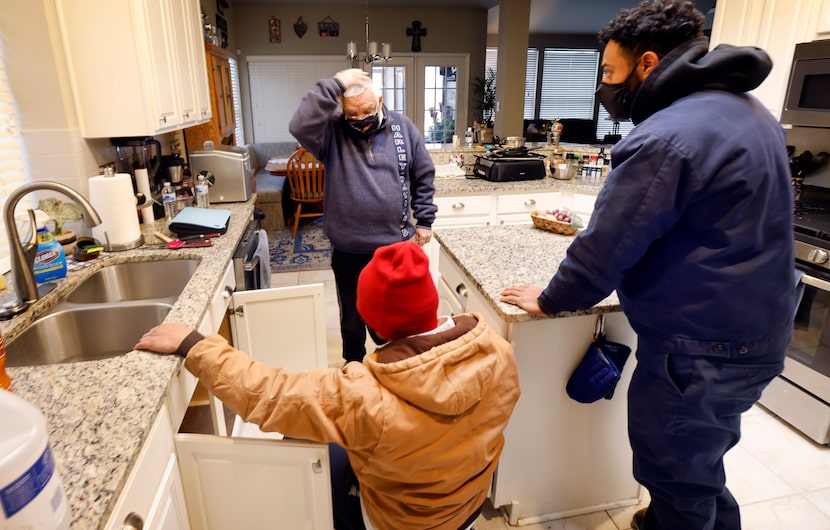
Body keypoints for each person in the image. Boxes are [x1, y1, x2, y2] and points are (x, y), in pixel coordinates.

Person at [500, 1, 794, 529]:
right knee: (698, 468)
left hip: (699, 347)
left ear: (648, 63)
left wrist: (551, 299)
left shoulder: (665, 136)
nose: (604, 88)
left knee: (675, 473)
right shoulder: (749, 113)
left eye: (610, 73)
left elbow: (608, 245)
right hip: (756, 333)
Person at [136, 240, 520, 530]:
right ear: (432, 306)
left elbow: (268, 395)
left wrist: (193, 345)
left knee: (306, 453)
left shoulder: (362, 396)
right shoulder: (498, 351)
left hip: (402, 523)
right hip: (469, 507)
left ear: (372, 326)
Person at [288, 68, 437, 364]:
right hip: (349, 248)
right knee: (353, 318)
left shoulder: (403, 129)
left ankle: (393, 363)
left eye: (367, 110)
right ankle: (353, 366)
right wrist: (336, 84)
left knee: (392, 317)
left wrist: (425, 220)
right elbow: (300, 124)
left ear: (380, 101)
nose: (360, 119)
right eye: (352, 113)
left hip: (395, 245)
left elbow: (423, 174)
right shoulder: (331, 132)